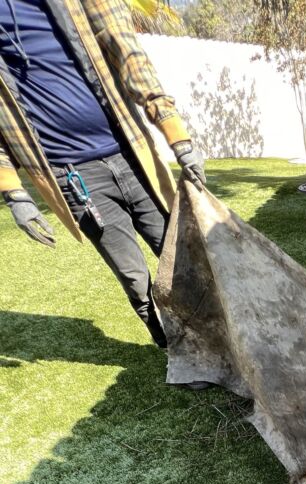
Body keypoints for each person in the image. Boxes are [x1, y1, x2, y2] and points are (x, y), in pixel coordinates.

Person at [0, 0, 204, 348]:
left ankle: (223, 342)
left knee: (184, 259)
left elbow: (129, 53)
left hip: (133, 156)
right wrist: (13, 191)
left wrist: (176, 135)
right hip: (75, 179)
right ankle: (177, 351)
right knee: (135, 279)